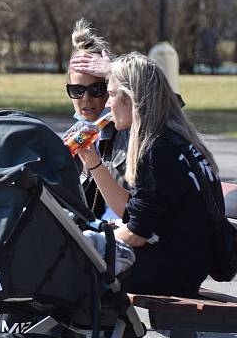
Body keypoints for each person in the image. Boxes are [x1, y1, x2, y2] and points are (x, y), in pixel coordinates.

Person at [90, 52, 223, 296]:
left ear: (131, 98)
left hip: (171, 270)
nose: (107, 105)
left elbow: (136, 234)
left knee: (69, 269)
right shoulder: (172, 139)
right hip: (185, 263)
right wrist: (91, 160)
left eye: (110, 94)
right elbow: (132, 214)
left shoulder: (157, 150)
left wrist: (85, 243)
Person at [65, 19, 129, 220]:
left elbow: (160, 102)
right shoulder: (76, 133)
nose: (86, 99)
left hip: (125, 237)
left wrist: (115, 72)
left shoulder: (133, 129)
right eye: (77, 90)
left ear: (111, 89)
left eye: (96, 89)